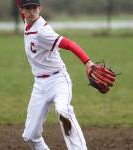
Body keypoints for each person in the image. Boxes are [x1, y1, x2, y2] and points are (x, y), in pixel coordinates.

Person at [17, 0, 94, 149]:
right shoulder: (27, 22)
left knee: (63, 110)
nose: (31, 11)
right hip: (39, 85)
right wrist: (22, 5)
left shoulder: (43, 31)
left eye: (34, 8)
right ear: (23, 11)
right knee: (31, 135)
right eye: (28, 9)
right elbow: (21, 6)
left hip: (58, 79)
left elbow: (69, 44)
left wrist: (88, 62)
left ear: (40, 8)